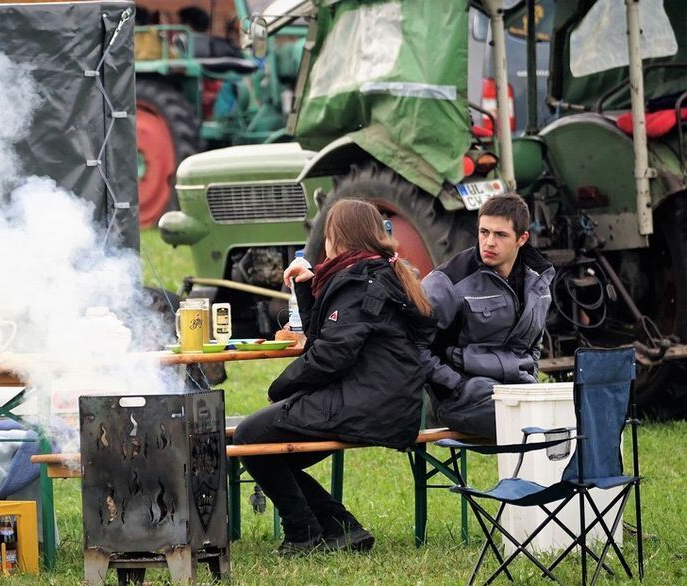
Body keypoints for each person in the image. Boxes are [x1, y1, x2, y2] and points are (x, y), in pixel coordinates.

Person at [233, 199, 436, 555]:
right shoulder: (372, 273)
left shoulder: (361, 282)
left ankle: (304, 532)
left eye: (327, 235)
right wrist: (307, 289)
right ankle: (342, 528)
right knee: (268, 448)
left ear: (336, 238)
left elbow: (331, 354)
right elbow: (325, 338)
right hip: (381, 398)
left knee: (251, 436)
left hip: (369, 401)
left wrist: (281, 387)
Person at [421, 192, 556, 439]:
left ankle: (551, 479)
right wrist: (455, 385)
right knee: (534, 427)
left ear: (522, 238)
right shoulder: (449, 281)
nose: (489, 242)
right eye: (484, 232)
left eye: (500, 234)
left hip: (519, 391)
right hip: (463, 398)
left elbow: (533, 344)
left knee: (572, 417)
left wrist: (531, 380)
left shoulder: (538, 280)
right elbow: (413, 344)